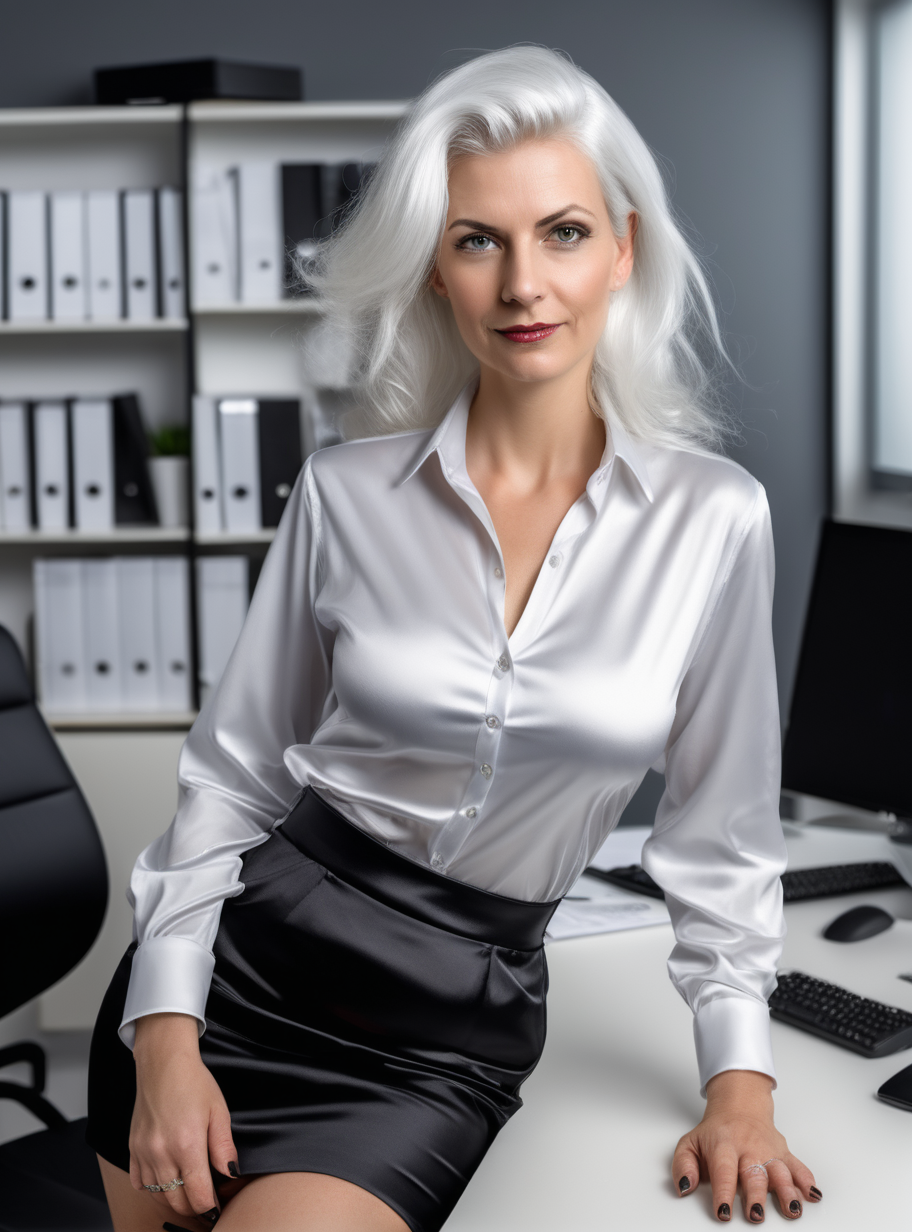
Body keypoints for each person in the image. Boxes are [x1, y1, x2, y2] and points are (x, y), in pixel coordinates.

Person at [86, 45, 821, 1232]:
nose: (523, 282)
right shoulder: (344, 493)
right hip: (240, 976)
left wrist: (740, 1085)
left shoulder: (715, 519)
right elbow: (228, 781)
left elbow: (720, 840)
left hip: (437, 1038)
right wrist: (165, 1037)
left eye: (564, 233)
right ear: (436, 269)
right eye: (479, 240)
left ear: (624, 249)